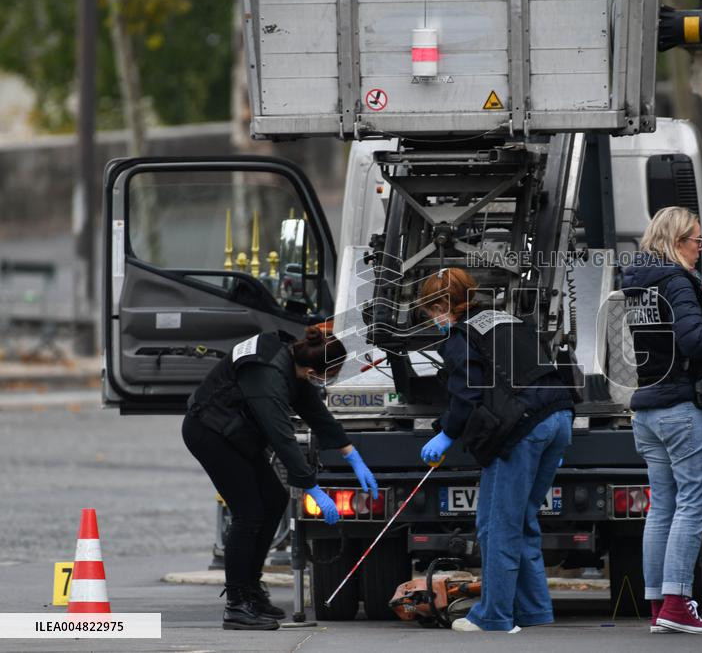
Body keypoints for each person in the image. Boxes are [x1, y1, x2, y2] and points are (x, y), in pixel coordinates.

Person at [183, 326, 378, 630]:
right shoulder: (267, 378)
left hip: (235, 434)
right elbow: (282, 438)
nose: (325, 381)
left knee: (274, 499)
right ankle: (237, 604)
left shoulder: (289, 357)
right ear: (313, 370)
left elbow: (314, 410)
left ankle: (251, 589)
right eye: (329, 375)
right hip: (209, 432)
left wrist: (351, 453)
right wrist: (312, 486)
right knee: (248, 513)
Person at [416, 268, 575, 633]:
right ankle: (533, 611)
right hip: (558, 416)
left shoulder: (459, 336)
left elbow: (467, 395)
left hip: (523, 427)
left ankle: (494, 616)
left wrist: (446, 433)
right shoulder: (506, 319)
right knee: (523, 521)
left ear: (442, 304)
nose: (431, 320)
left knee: (496, 526)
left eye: (430, 311)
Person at [621, 206, 702, 634]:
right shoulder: (676, 280)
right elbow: (695, 342)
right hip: (683, 410)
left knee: (661, 508)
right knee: (691, 507)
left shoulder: (637, 282)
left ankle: (659, 606)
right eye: (696, 241)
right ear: (676, 240)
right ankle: (677, 603)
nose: (699, 250)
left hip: (648, 408)